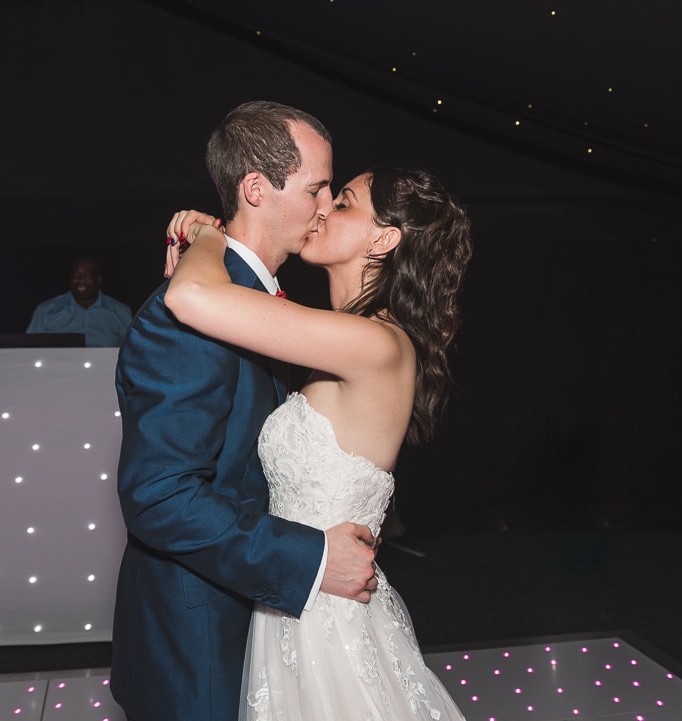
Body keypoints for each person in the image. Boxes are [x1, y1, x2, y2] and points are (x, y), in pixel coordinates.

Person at [164, 166, 473, 720]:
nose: (324, 208)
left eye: (347, 203)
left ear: (384, 239)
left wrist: (211, 236)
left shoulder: (373, 341)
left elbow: (190, 296)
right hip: (296, 598)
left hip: (325, 623)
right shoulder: (348, 339)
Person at [111, 101, 380, 721]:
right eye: (317, 187)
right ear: (256, 188)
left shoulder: (249, 303)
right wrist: (310, 558)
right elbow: (159, 496)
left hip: (258, 616)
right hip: (198, 638)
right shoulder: (194, 312)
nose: (326, 204)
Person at [26, 255, 133, 346]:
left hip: (105, 369)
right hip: (59, 369)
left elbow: (133, 351)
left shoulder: (121, 312)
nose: (81, 280)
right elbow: (29, 349)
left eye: (88, 275)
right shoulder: (46, 311)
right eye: (76, 275)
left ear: (99, 279)